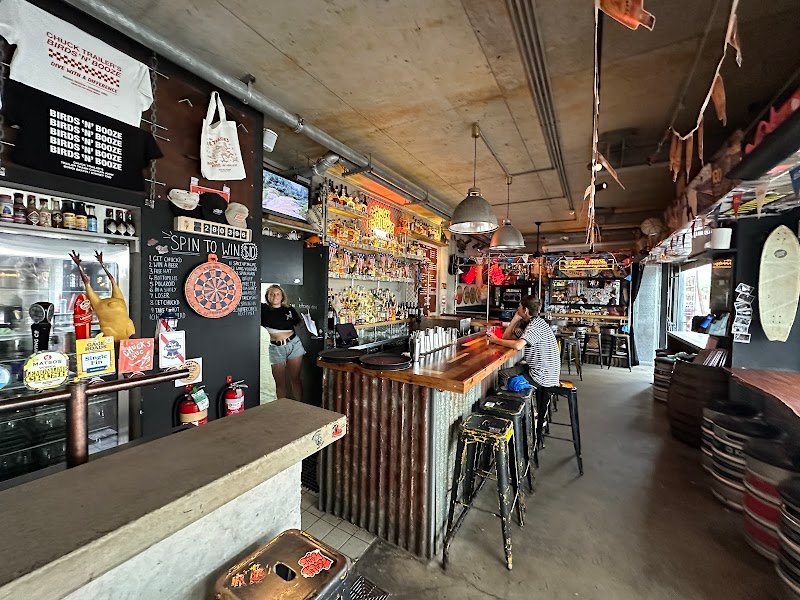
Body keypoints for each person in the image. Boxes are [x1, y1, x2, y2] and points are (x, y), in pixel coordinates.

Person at [489, 295, 560, 389]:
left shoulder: (535, 326)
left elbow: (518, 345)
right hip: (544, 373)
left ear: (525, 310)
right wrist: (515, 319)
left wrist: (495, 340)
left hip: (542, 377)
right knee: (508, 371)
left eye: (519, 306)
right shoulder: (532, 323)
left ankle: (505, 396)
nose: (517, 309)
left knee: (503, 375)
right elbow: (506, 337)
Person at [261, 284, 305, 402]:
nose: (275, 296)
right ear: (267, 296)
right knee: (279, 382)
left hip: (294, 345)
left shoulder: (289, 310)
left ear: (282, 296)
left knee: (295, 378)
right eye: (271, 294)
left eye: (277, 294)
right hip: (276, 348)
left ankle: (299, 406)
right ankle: (283, 408)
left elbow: (298, 323)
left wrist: (304, 321)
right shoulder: (263, 309)